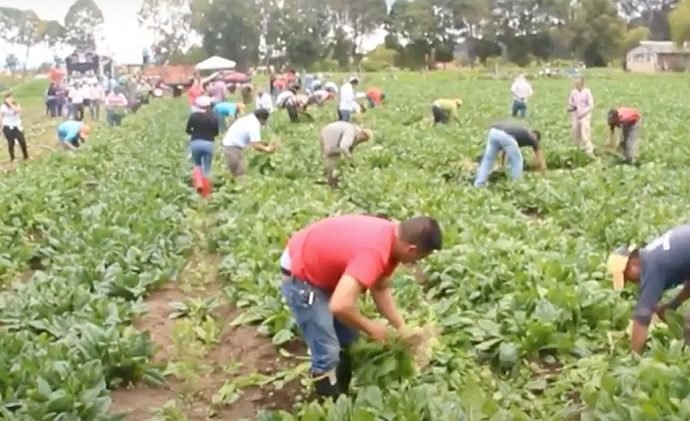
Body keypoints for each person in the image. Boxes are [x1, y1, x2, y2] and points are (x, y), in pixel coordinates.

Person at [279, 214, 442, 399]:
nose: (416, 263)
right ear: (412, 250)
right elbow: (340, 305)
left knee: (348, 339)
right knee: (327, 351)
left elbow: (379, 289)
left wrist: (401, 326)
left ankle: (342, 394)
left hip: (322, 267)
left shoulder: (393, 239)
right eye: (419, 258)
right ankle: (328, 405)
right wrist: (372, 328)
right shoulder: (373, 252)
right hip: (302, 273)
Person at [606, 224, 690, 354]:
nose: (631, 282)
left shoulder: (652, 269)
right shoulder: (652, 254)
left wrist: (635, 358)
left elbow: (642, 318)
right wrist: (672, 305)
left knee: (687, 334)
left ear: (632, 264)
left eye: (627, 278)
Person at [474, 120, 545, 187]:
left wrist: (502, 164)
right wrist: (543, 172)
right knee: (517, 160)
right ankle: (515, 184)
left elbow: (505, 149)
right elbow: (540, 156)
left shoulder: (520, 135)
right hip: (505, 135)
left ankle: (479, 184)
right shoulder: (533, 137)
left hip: (494, 131)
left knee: (487, 160)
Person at [221, 109, 276, 177]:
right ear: (262, 119)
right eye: (265, 120)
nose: (265, 123)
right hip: (232, 148)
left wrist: (263, 143)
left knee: (236, 170)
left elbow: (254, 141)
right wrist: (267, 149)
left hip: (230, 145)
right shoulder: (254, 124)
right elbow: (255, 145)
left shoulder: (249, 119)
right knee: (240, 173)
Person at [319, 121, 373, 188]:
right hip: (331, 135)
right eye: (363, 140)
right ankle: (332, 183)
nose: (361, 142)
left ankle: (329, 178)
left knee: (331, 158)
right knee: (333, 157)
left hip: (327, 131)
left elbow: (349, 148)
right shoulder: (351, 132)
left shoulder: (353, 130)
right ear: (363, 135)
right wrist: (350, 158)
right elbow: (343, 147)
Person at [186, 96, 219, 177]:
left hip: (195, 142)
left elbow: (187, 130)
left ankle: (198, 183)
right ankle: (206, 184)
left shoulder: (193, 116)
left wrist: (193, 132)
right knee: (207, 167)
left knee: (197, 165)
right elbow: (216, 132)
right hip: (208, 143)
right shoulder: (213, 117)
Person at [567, 77, 594, 156]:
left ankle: (589, 151)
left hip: (585, 115)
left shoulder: (587, 92)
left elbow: (591, 105)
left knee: (585, 133)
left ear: (582, 83)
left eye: (578, 83)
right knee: (576, 132)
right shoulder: (573, 92)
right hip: (575, 114)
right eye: (575, 83)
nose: (576, 85)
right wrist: (571, 107)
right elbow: (570, 102)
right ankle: (578, 149)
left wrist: (583, 112)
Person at [0, 93, 28, 162]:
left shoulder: (17, 105)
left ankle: (26, 156)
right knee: (11, 142)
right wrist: (1, 125)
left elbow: (17, 110)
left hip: (17, 126)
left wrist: (10, 104)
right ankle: (12, 158)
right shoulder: (3, 107)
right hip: (7, 127)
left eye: (11, 98)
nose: (10, 99)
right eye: (8, 98)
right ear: (5, 99)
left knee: (22, 141)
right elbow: (1, 116)